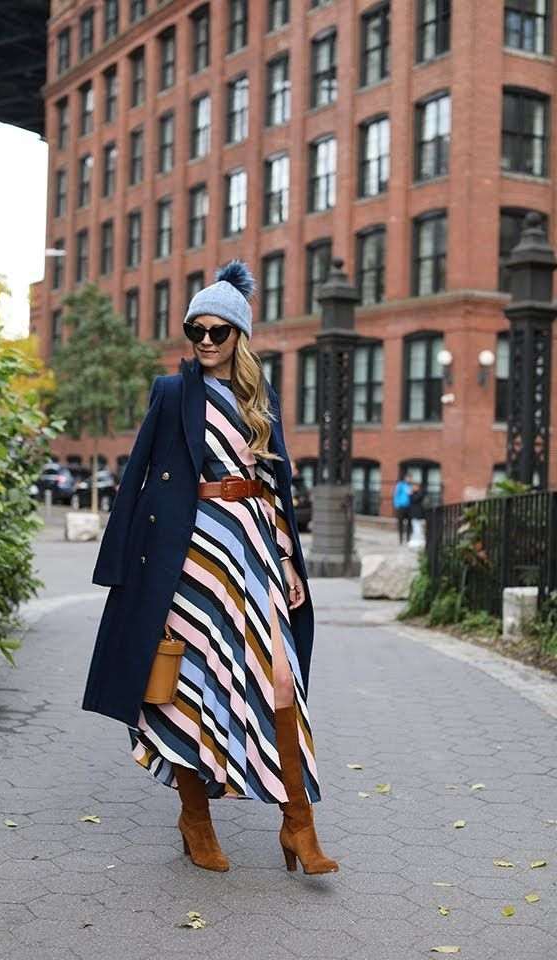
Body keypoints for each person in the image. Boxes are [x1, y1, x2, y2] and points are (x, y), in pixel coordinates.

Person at [81, 260, 338, 876]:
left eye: (217, 331)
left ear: (239, 335)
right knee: (191, 683)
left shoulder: (261, 397)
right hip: (191, 555)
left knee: (280, 680)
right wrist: (122, 566)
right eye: (195, 330)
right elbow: (138, 476)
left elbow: (275, 485)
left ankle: (298, 823)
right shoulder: (172, 392)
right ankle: (195, 818)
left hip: (254, 549)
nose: (204, 341)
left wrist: (287, 558)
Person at [393, 473, 412, 544]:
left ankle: (408, 539)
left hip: (409, 507)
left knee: (409, 523)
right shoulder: (400, 485)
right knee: (400, 523)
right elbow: (396, 495)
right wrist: (396, 505)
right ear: (405, 478)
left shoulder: (410, 486)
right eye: (408, 478)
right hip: (401, 507)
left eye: (410, 478)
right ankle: (400, 539)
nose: (409, 479)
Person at [407, 481, 426, 549]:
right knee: (416, 528)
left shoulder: (419, 493)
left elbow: (415, 499)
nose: (412, 488)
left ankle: (418, 542)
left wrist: (410, 494)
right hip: (414, 514)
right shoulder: (415, 493)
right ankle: (416, 542)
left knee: (417, 529)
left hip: (418, 514)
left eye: (414, 487)